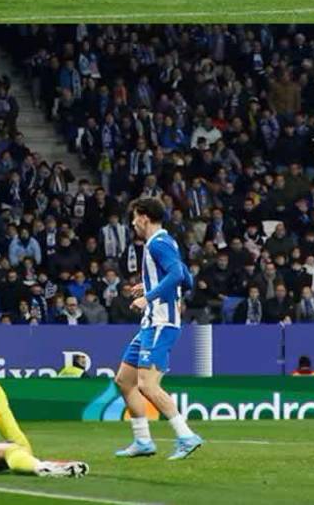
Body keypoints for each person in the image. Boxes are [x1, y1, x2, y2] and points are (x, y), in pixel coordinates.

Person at [114, 196, 204, 461]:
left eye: (134, 218)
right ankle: (143, 440)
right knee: (124, 381)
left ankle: (186, 435)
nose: (133, 224)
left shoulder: (159, 243)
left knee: (147, 385)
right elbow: (185, 276)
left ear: (144, 216)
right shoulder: (165, 241)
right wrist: (152, 285)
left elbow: (177, 275)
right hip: (149, 325)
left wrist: (148, 297)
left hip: (160, 323)